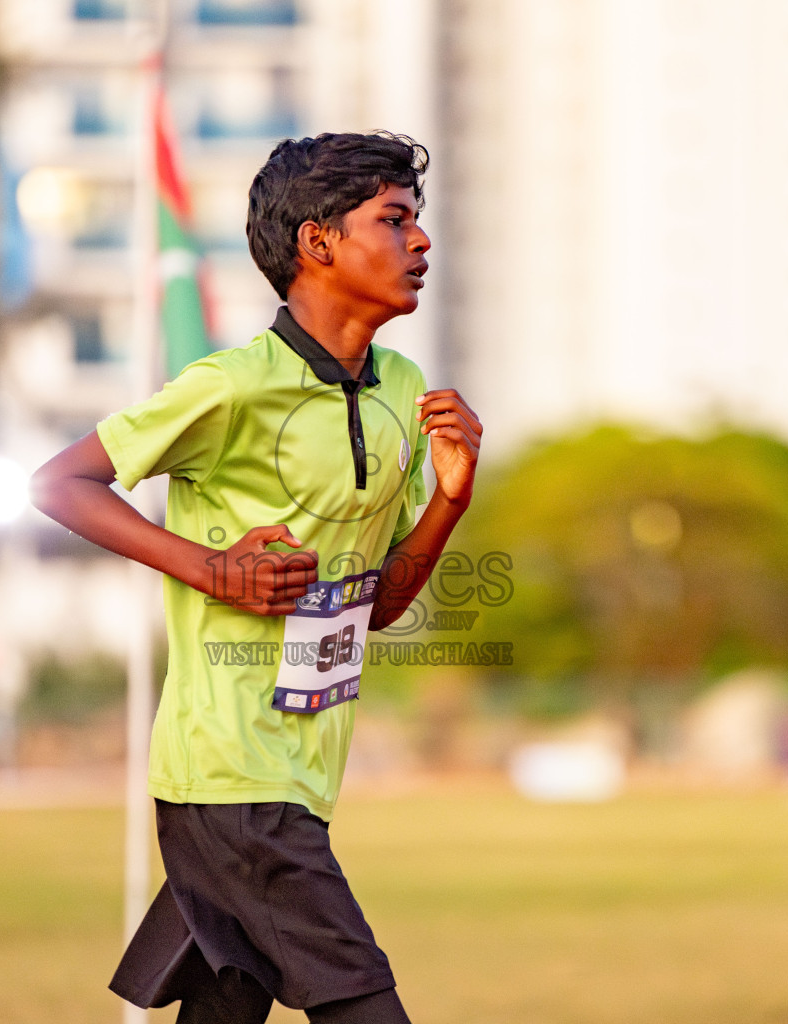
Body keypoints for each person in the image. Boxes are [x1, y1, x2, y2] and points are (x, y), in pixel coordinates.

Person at [30, 131, 482, 1023]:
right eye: (394, 221)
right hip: (230, 776)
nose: (420, 242)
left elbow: (380, 607)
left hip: (302, 775)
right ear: (318, 242)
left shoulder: (403, 391)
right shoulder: (231, 387)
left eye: (418, 221)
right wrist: (214, 571)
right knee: (365, 1006)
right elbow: (58, 484)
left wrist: (450, 503)